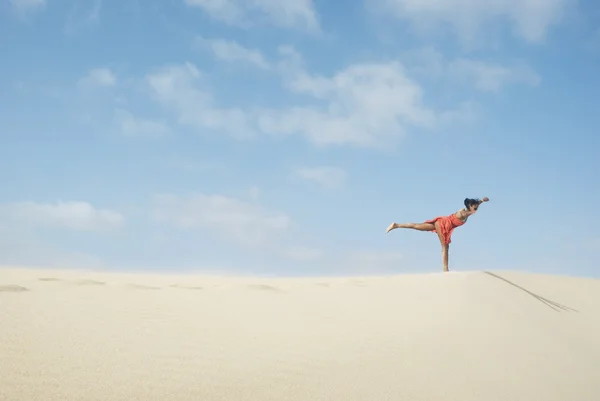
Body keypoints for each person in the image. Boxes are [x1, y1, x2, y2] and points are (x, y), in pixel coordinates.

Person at [385, 197, 489, 272]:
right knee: (445, 247)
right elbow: (471, 211)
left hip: (443, 223)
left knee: (417, 226)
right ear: (470, 206)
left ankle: (396, 225)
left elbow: (474, 206)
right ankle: (445, 270)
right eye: (475, 208)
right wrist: (477, 205)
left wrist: (482, 201)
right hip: (443, 224)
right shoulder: (464, 213)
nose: (476, 210)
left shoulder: (468, 211)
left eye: (476, 208)